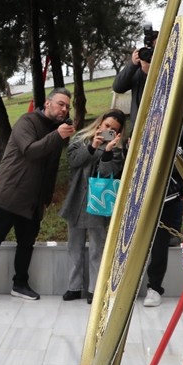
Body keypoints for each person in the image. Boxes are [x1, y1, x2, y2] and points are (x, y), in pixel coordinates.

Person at [0, 88, 75, 301]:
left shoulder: (57, 129)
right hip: (11, 192)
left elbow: (51, 166)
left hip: (34, 198)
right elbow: (31, 151)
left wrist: (46, 197)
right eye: (60, 104)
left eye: (67, 106)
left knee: (26, 242)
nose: (64, 109)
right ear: (47, 103)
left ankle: (20, 283)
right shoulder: (27, 122)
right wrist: (56, 136)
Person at [59, 110, 127, 304]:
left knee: (97, 247)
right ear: (99, 123)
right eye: (106, 126)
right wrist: (92, 146)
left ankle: (94, 289)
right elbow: (73, 161)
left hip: (98, 202)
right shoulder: (81, 139)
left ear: (119, 132)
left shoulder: (115, 150)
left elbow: (108, 174)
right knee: (74, 246)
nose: (108, 131)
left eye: (113, 129)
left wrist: (106, 152)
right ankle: (73, 287)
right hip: (77, 200)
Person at [143, 126, 183, 307]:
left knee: (159, 245)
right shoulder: (142, 131)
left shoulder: (178, 135)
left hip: (168, 199)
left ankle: (155, 288)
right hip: (140, 199)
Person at [111, 46, 152, 123]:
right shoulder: (137, 70)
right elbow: (117, 87)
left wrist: (151, 74)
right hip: (138, 123)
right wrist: (132, 64)